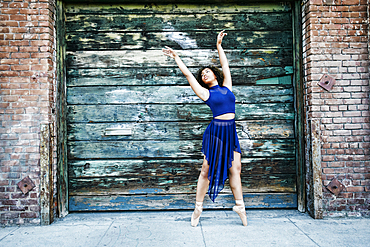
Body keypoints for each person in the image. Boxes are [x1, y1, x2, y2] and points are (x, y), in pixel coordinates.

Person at [162, 30, 247, 227]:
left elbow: (225, 65)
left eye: (207, 71)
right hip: (216, 133)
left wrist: (219, 46)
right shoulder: (205, 93)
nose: (204, 74)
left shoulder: (227, 87)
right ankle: (198, 208)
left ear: (214, 74)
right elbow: (188, 75)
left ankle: (240, 206)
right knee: (206, 171)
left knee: (236, 169)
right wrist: (177, 57)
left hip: (231, 131)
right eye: (202, 74)